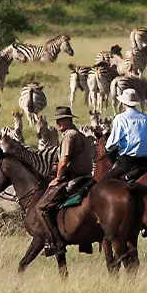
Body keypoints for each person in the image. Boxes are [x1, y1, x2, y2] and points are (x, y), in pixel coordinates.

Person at [36, 105, 94, 257]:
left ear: (69, 120)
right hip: (87, 177)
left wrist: (58, 178)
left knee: (42, 207)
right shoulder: (80, 134)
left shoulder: (69, 135)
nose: (58, 123)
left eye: (61, 120)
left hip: (74, 177)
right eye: (57, 120)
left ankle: (54, 243)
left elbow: (64, 161)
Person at [104, 88, 147, 181]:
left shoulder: (120, 118)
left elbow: (111, 144)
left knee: (103, 183)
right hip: (146, 163)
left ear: (123, 104)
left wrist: (109, 150)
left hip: (127, 163)